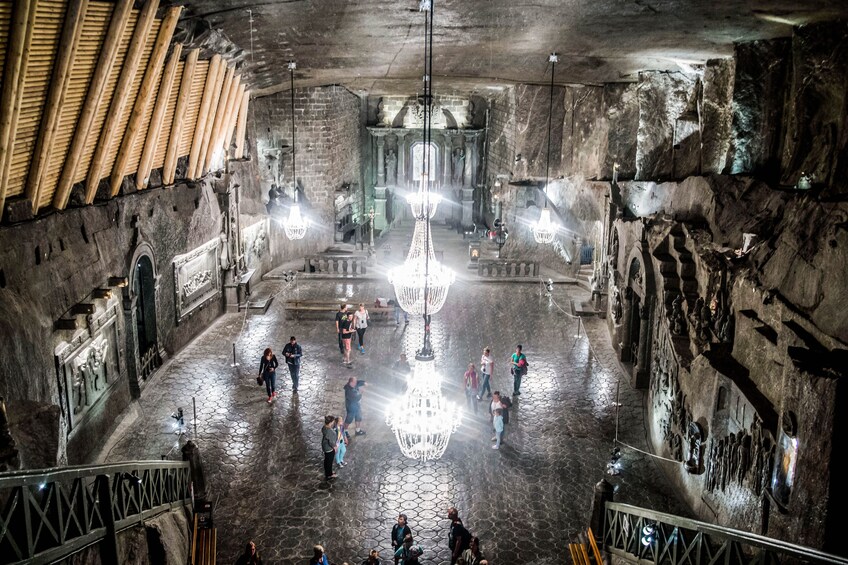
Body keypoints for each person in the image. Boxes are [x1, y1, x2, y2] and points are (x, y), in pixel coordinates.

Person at [322, 415, 337, 480]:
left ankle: (328, 472)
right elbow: (331, 442)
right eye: (333, 422)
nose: (334, 423)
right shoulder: (329, 431)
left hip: (325, 446)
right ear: (330, 422)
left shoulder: (324, 427)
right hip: (329, 448)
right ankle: (329, 474)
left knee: (326, 460)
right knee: (329, 461)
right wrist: (335, 447)